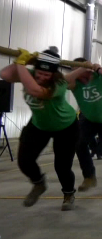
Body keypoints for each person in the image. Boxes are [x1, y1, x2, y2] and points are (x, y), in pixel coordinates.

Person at [0, 47, 78, 211]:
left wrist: (21, 64)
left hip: (65, 127)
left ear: (53, 75)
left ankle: (69, 193)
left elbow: (35, 91)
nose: (41, 77)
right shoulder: (29, 74)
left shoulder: (60, 83)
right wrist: (22, 61)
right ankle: (39, 183)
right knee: (24, 161)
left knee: (62, 166)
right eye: (39, 73)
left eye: (46, 75)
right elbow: (5, 75)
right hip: (39, 125)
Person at [65, 59, 102, 191]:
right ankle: (89, 176)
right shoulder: (75, 83)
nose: (74, 72)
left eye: (77, 68)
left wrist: (98, 69)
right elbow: (64, 81)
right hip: (89, 120)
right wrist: (81, 68)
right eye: (73, 69)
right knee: (79, 144)